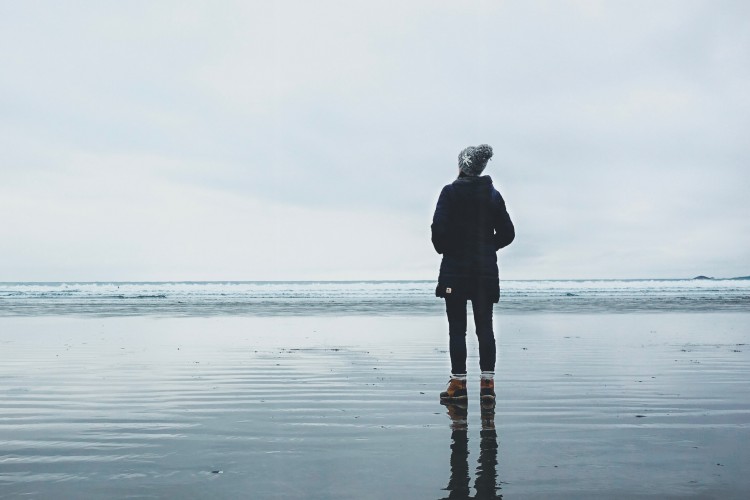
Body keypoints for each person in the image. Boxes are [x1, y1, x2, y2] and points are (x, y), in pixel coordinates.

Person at [431, 144, 515, 406]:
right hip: (484, 272)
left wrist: (449, 247)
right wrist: (488, 246)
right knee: (485, 328)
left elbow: (438, 233)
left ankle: (458, 385)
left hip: (455, 273)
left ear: (462, 166)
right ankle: (487, 386)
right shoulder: (493, 195)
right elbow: (508, 234)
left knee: (457, 329)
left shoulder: (450, 193)